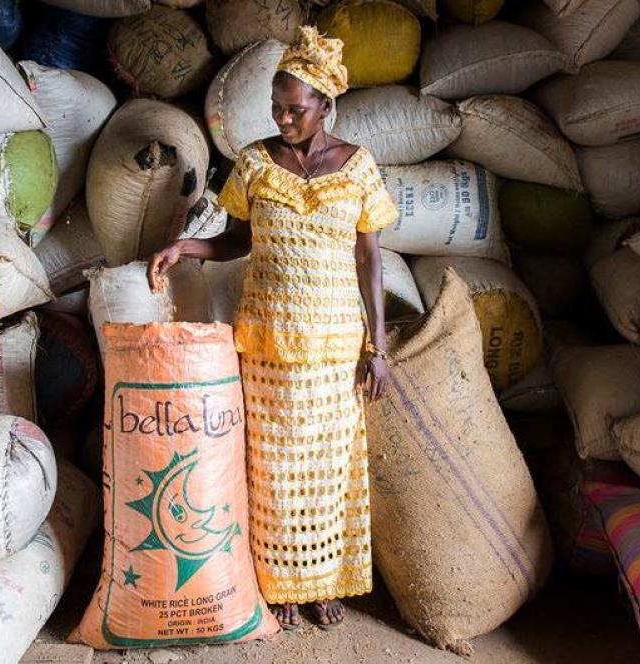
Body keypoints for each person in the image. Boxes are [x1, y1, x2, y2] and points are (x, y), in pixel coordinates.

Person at [147, 26, 398, 630]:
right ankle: (277, 584)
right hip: (267, 342)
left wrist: (378, 347)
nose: (284, 119)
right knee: (270, 468)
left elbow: (370, 258)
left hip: (334, 346)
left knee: (328, 470)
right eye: (277, 108)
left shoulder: (358, 167)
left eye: (296, 109)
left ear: (325, 106)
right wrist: (186, 245)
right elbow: (238, 240)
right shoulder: (255, 163)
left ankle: (321, 584)